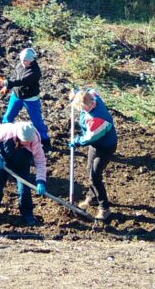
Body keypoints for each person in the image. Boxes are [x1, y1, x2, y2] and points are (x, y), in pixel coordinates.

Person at [0, 121, 48, 226]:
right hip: (2, 161)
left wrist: (41, 180)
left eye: (28, 141)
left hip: (21, 164)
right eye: (24, 141)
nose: (27, 143)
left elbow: (40, 161)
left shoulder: (35, 140)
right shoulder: (6, 131)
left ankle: (27, 214)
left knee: (24, 189)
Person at [68, 88, 118, 221]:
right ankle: (92, 197)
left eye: (83, 108)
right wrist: (76, 92)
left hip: (105, 146)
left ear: (90, 105)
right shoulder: (93, 96)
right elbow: (88, 90)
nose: (81, 111)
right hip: (96, 145)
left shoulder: (97, 118)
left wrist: (77, 141)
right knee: (89, 170)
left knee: (95, 176)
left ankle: (104, 208)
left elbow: (90, 138)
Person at [0, 48, 50, 151]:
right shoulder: (20, 65)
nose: (23, 62)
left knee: (36, 121)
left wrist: (6, 83)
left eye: (25, 61)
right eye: (22, 60)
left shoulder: (35, 72)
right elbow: (15, 76)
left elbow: (22, 80)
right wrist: (7, 87)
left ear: (32, 60)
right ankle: (3, 137)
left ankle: (45, 141)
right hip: (16, 96)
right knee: (8, 116)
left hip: (31, 99)